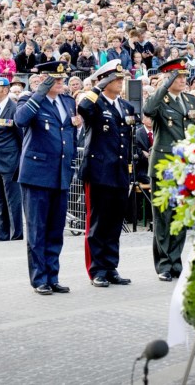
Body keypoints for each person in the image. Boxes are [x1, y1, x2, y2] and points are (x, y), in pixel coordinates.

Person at [15, 61, 80, 295]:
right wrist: (41, 91)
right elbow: (20, 120)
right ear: (45, 79)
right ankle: (39, 278)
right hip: (37, 174)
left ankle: (53, 276)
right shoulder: (30, 99)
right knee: (37, 229)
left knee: (55, 230)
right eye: (57, 79)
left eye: (63, 79)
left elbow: (69, 134)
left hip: (60, 173)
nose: (62, 82)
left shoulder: (68, 102)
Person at [77, 60, 135, 287]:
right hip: (99, 171)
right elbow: (83, 109)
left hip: (119, 171)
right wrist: (98, 86)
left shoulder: (126, 107)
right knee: (98, 222)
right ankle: (97, 269)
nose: (120, 83)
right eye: (115, 79)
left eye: (121, 79)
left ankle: (110, 266)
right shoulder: (95, 103)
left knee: (114, 222)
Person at [143, 58, 195, 281]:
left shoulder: (190, 99)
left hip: (185, 164)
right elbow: (148, 110)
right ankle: (164, 263)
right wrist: (163, 86)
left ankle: (176, 262)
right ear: (169, 78)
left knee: (181, 216)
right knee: (163, 217)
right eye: (179, 76)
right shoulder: (160, 99)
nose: (183, 80)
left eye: (185, 76)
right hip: (164, 164)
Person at [0, 77, 23, 242]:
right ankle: (3, 232)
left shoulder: (14, 109)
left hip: (11, 162)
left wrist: (20, 162)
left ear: (5, 90)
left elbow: (21, 137)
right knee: (0, 199)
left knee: (13, 200)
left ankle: (16, 233)